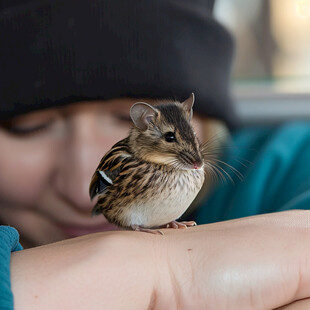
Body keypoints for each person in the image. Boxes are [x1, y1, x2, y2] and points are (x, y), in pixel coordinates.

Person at [1, 1, 310, 309]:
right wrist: (168, 275)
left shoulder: (282, 162)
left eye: (123, 117)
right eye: (28, 126)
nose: (81, 191)